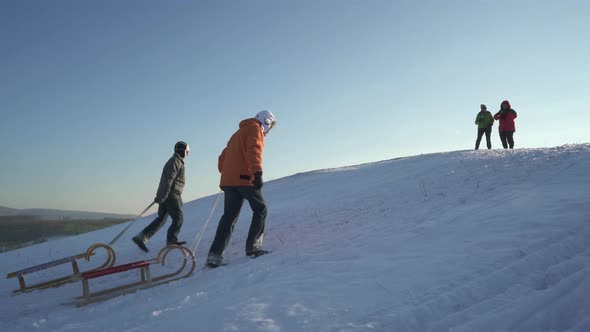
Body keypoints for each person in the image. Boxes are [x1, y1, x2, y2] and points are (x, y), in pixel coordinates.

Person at [206, 110, 277, 268]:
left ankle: (214, 256)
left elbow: (222, 158)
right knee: (261, 209)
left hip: (228, 181)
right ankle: (254, 247)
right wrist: (257, 172)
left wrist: (228, 172)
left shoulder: (237, 134)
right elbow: (254, 150)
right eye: (270, 127)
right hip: (244, 179)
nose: (269, 131)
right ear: (265, 122)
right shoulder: (255, 129)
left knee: (229, 217)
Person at [132, 141, 189, 252]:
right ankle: (171, 240)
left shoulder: (175, 161)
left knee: (161, 219)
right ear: (182, 151)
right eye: (187, 151)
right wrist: (163, 195)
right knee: (179, 218)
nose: (188, 154)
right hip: (171, 194)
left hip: (166, 194)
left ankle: (142, 237)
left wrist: (162, 195)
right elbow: (168, 179)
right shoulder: (175, 161)